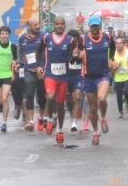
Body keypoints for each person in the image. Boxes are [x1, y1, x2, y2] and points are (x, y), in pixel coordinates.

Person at [37, 16, 74, 145]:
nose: (59, 26)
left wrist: (76, 56)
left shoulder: (70, 40)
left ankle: (59, 130)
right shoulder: (46, 38)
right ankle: (49, 118)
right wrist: (40, 66)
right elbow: (39, 51)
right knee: (50, 95)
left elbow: (72, 57)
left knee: (60, 105)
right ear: (53, 25)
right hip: (50, 74)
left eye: (61, 24)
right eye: (57, 24)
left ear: (64, 25)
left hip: (63, 76)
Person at [80, 15, 115, 145]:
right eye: (92, 26)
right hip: (88, 77)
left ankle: (104, 118)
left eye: (97, 25)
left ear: (100, 26)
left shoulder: (107, 37)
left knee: (102, 98)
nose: (95, 28)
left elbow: (112, 47)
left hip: (103, 74)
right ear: (89, 26)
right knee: (93, 108)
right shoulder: (83, 39)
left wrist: (111, 59)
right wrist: (79, 56)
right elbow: (76, 56)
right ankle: (95, 132)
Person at [17, 18, 46, 131]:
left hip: (41, 70)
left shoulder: (44, 36)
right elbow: (20, 52)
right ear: (28, 26)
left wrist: (42, 66)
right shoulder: (22, 38)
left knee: (42, 96)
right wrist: (19, 63)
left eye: (38, 24)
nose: (37, 26)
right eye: (35, 25)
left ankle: (41, 118)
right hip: (29, 70)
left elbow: (46, 53)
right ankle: (30, 121)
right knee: (29, 94)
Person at [66, 29, 83, 132]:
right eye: (73, 41)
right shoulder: (65, 48)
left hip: (78, 76)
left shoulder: (82, 48)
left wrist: (80, 56)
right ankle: (72, 114)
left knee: (77, 96)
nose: (74, 43)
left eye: (76, 41)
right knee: (68, 101)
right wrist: (72, 56)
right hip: (67, 75)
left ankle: (74, 122)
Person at [112, 37, 128, 118]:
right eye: (117, 43)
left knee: (127, 91)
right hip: (118, 77)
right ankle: (120, 111)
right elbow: (111, 69)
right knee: (119, 96)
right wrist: (116, 66)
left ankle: (127, 103)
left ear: (123, 44)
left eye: (120, 43)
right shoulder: (114, 53)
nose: (118, 44)